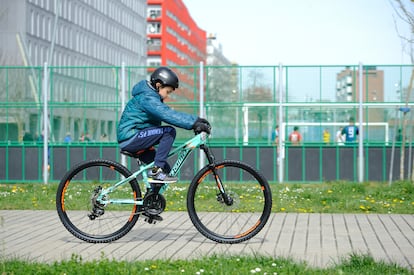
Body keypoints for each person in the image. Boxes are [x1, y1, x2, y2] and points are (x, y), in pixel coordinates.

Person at [117, 66, 210, 184]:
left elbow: (166, 113)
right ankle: (156, 172)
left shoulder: (151, 96)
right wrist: (194, 122)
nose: (167, 96)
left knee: (165, 169)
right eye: (168, 92)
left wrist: (196, 120)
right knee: (168, 131)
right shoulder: (148, 97)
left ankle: (152, 199)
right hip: (131, 137)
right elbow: (167, 114)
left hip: (137, 137)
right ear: (158, 85)